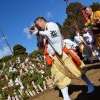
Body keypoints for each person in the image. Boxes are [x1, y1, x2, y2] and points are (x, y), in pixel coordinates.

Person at [29, 17, 94, 100]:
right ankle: (66, 97)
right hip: (54, 58)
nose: (37, 26)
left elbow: (52, 36)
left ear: (42, 21)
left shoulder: (52, 25)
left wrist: (39, 32)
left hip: (63, 54)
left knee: (76, 69)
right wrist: (37, 34)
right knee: (59, 77)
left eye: (37, 24)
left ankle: (89, 83)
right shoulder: (42, 33)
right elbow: (42, 46)